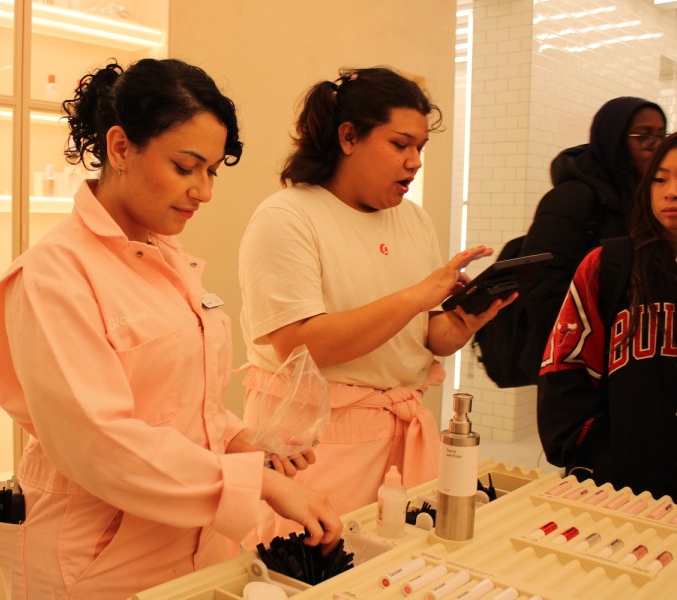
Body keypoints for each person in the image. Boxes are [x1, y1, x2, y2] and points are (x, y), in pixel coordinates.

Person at [0, 58, 342, 600]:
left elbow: (180, 398)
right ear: (122, 147)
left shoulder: (168, 256)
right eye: (185, 166)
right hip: (94, 550)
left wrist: (241, 439)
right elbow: (99, 440)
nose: (204, 191)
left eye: (213, 170)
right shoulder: (53, 274)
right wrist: (256, 483)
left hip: (192, 535)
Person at [237, 66, 514, 542]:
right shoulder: (287, 217)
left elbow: (428, 339)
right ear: (348, 137)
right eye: (400, 144)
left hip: (399, 442)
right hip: (314, 447)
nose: (415, 162)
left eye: (420, 149)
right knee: (314, 574)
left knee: (397, 572)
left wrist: (465, 321)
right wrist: (416, 296)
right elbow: (301, 346)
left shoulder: (414, 221)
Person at [537, 132, 677, 501]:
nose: (670, 192)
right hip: (619, 488)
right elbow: (564, 369)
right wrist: (596, 458)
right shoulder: (610, 264)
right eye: (660, 179)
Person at [517, 97, 667, 384]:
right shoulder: (572, 198)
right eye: (643, 136)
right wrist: (597, 334)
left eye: (660, 135)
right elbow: (538, 285)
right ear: (613, 139)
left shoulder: (646, 196)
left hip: (628, 356)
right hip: (577, 363)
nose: (655, 145)